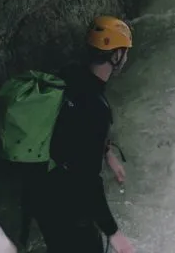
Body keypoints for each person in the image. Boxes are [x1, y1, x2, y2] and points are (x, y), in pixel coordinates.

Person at [30, 16, 136, 253]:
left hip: (40, 193)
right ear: (115, 56)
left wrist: (107, 153)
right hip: (68, 207)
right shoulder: (97, 108)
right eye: (124, 51)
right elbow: (87, 182)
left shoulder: (69, 74)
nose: (126, 58)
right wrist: (113, 232)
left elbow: (72, 128)